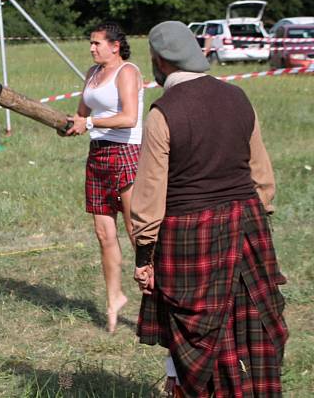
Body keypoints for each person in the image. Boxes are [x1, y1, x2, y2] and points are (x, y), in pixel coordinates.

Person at [131, 21, 287, 397]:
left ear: (159, 61)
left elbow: (150, 194)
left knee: (198, 333)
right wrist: (256, 219)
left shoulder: (161, 113)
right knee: (246, 324)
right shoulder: (238, 97)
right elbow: (261, 173)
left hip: (190, 231)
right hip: (248, 222)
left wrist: (143, 256)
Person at [63, 22, 144, 333]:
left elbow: (129, 118)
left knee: (135, 229)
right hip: (97, 154)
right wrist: (73, 124)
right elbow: (82, 113)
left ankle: (156, 293)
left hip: (126, 152)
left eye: (97, 43)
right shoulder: (91, 73)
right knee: (103, 233)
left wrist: (90, 122)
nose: (92, 48)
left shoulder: (127, 72)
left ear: (116, 46)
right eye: (91, 43)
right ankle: (115, 298)